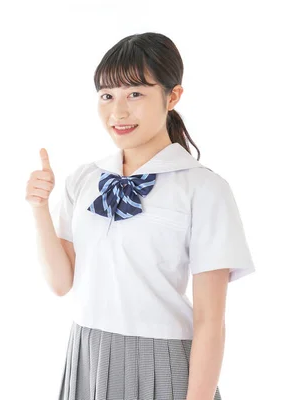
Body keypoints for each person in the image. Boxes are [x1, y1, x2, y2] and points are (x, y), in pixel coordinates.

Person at [25, 32, 256, 400]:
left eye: (135, 93)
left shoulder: (204, 189)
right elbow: (61, 283)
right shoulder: (84, 179)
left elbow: (210, 322)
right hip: (87, 352)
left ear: (173, 96)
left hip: (162, 362)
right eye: (107, 96)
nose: (118, 112)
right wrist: (39, 209)